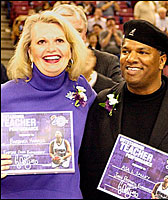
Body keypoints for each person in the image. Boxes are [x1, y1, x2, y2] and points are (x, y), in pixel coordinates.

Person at [79, 19, 168, 199]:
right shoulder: (102, 101)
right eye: (126, 51)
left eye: (142, 52)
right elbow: (89, 167)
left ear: (161, 61)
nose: (131, 58)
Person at [1, 11, 96, 199]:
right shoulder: (4, 95)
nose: (51, 49)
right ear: (29, 51)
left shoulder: (83, 91)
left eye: (59, 41)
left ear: (71, 48)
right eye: (41, 42)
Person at [53, 5, 123, 93]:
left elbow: (122, 97)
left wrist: (92, 78)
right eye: (64, 31)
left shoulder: (107, 61)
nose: (72, 37)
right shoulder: (41, 63)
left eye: (78, 31)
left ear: (85, 33)